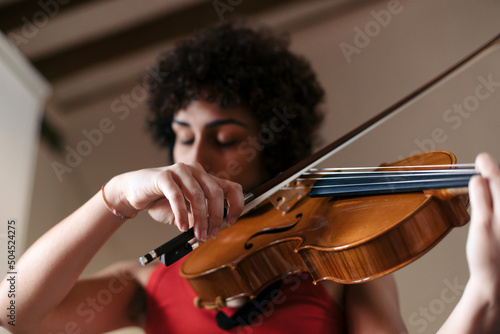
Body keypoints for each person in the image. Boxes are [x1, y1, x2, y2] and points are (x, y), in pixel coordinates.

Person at [0, 21, 498, 334]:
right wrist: (114, 196)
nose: (196, 156)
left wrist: (482, 293)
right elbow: (12, 311)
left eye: (227, 138)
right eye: (182, 135)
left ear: (273, 148)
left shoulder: (338, 274)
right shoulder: (143, 285)